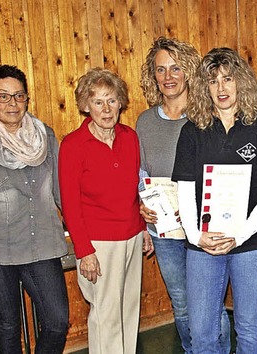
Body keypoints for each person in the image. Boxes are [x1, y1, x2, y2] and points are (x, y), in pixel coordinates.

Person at [172, 47, 257, 354]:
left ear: (241, 82)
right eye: (212, 81)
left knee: (248, 328)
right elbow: (184, 188)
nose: (221, 88)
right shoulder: (192, 131)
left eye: (228, 79)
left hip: (252, 243)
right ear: (203, 87)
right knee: (203, 331)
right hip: (203, 243)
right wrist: (196, 237)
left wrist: (239, 235)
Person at [0, 65, 69, 353]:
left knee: (58, 321)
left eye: (19, 96)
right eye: (3, 97)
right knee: (8, 325)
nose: (12, 103)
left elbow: (62, 191)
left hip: (42, 245)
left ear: (27, 98)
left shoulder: (45, 137)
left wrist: (84, 236)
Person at [137, 37, 231, 354]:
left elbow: (223, 172)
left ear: (189, 71)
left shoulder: (208, 118)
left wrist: (197, 209)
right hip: (164, 230)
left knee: (210, 305)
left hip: (204, 226)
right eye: (161, 69)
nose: (168, 76)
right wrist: (142, 202)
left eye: (176, 68)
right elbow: (142, 173)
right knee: (181, 302)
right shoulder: (145, 121)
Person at [59, 68, 152, 353]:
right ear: (86, 106)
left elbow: (136, 190)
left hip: (132, 237)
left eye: (111, 100)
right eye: (98, 102)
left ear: (121, 102)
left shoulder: (130, 137)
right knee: (105, 317)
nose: (106, 109)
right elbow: (69, 204)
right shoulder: (73, 145)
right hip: (98, 244)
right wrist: (84, 251)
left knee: (128, 312)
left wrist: (144, 229)